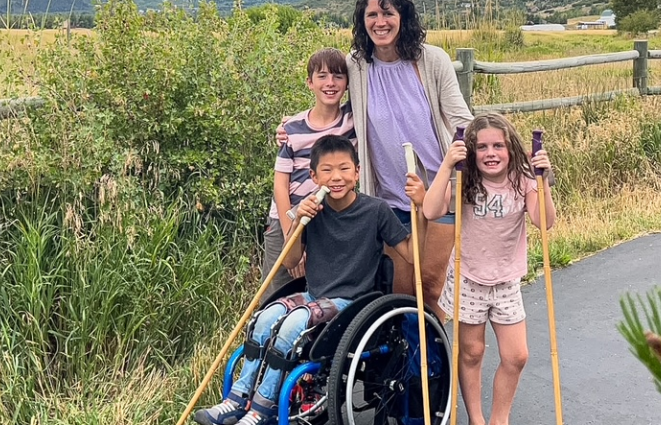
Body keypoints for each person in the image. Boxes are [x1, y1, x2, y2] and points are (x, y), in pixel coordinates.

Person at [195, 135, 424, 425]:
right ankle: (237, 398)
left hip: (352, 304)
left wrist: (420, 210)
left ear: (357, 173)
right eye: (327, 170)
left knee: (293, 324)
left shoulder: (376, 210)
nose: (336, 177)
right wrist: (297, 223)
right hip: (314, 295)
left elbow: (412, 254)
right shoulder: (312, 210)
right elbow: (290, 261)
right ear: (314, 176)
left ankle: (262, 407)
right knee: (263, 319)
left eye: (344, 169)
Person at [277, 0, 473, 320]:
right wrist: (293, 126)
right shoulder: (357, 65)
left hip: (439, 197)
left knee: (431, 287)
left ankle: (433, 352)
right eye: (372, 14)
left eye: (388, 13)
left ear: (402, 16)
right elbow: (331, 105)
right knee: (398, 294)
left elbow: (461, 122)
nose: (380, 22)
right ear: (362, 20)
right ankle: (406, 354)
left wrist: (497, 160)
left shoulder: (431, 60)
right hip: (389, 201)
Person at [422, 113, 556, 425]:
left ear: (511, 149)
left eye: (498, 146)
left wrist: (543, 181)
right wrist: (447, 165)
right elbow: (431, 210)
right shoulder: (464, 177)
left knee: (516, 355)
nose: (490, 153)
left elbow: (544, 221)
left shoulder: (523, 180)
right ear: (471, 150)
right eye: (482, 147)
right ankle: (476, 419)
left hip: (506, 280)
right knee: (472, 352)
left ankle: (499, 419)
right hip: (469, 277)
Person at [259, 48, 356, 304]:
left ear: (347, 84)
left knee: (320, 295)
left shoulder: (352, 122)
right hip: (287, 218)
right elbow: (280, 185)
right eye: (322, 76)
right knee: (275, 293)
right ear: (310, 83)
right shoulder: (293, 128)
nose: (330, 83)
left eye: (338, 76)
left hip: (327, 222)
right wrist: (291, 236)